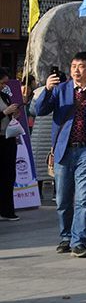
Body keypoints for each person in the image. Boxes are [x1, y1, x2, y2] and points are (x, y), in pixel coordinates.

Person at [32, 51, 86, 258]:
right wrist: (47, 90)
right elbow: (39, 110)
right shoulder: (60, 90)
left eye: (81, 66)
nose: (76, 70)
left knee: (84, 199)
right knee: (63, 200)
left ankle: (79, 242)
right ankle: (65, 237)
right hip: (63, 151)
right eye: (73, 66)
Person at [0, 68, 21, 221]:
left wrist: (14, 114)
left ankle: (7, 210)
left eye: (5, 83)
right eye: (2, 82)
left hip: (8, 139)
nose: (3, 85)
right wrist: (5, 112)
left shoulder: (5, 96)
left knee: (8, 175)